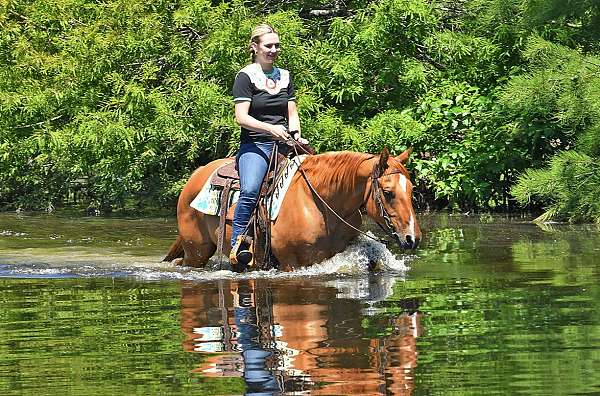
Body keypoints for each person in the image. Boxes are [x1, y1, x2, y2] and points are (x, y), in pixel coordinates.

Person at [230, 24, 308, 266]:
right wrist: (271, 129)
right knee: (251, 189)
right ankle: (239, 243)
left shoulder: (284, 75)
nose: (274, 50)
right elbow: (241, 117)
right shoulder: (245, 76)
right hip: (256, 144)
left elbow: (292, 112)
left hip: (286, 142)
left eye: (277, 45)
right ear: (255, 47)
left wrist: (296, 134)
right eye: (268, 45)